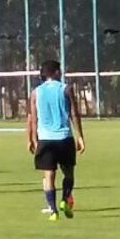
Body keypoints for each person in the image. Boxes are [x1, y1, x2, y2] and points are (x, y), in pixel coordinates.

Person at [27, 60, 85, 221]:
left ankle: (53, 210)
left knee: (49, 177)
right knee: (69, 174)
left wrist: (33, 139)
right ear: (57, 72)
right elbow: (74, 114)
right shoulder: (66, 89)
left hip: (45, 140)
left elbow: (33, 118)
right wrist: (80, 136)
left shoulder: (36, 92)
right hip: (64, 138)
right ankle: (65, 199)